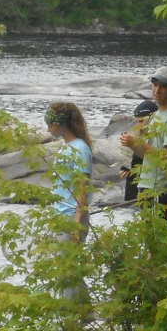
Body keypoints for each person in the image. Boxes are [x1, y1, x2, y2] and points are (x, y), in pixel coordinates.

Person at [120, 67, 167, 218]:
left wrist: (139, 143)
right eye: (155, 85)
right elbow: (147, 155)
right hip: (147, 183)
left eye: (162, 86)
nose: (157, 90)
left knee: (156, 235)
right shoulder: (155, 115)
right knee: (147, 234)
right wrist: (133, 144)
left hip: (160, 186)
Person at [44, 101, 93, 240]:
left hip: (71, 218)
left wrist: (77, 225)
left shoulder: (80, 149)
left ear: (62, 124)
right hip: (58, 215)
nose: (48, 130)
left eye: (50, 125)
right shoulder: (65, 147)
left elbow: (82, 189)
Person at [119, 99, 159, 203]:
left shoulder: (157, 139)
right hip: (136, 194)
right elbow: (142, 163)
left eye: (141, 121)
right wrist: (130, 173)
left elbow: (156, 163)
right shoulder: (143, 138)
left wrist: (134, 145)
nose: (138, 126)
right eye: (137, 121)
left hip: (148, 194)